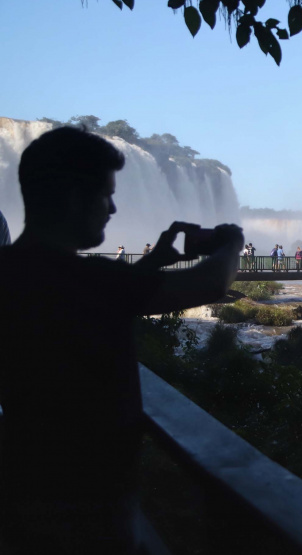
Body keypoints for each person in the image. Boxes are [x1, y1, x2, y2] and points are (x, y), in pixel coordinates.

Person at [0, 126, 244, 554]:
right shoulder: (87, 282)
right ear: (76, 197)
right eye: (106, 195)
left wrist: (156, 258)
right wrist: (232, 242)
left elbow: (101, 291)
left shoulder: (16, 273)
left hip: (22, 487)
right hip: (85, 507)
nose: (113, 208)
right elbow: (209, 282)